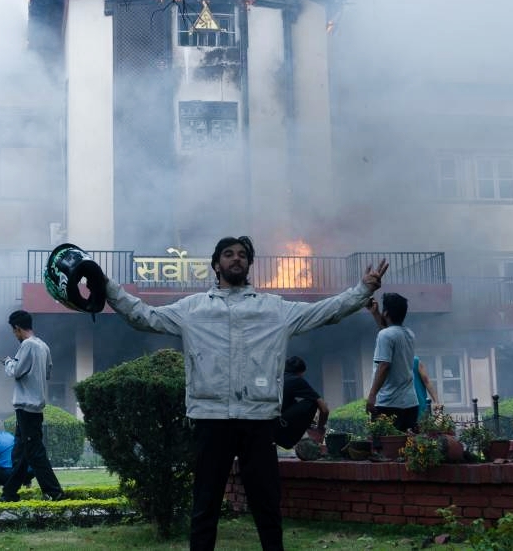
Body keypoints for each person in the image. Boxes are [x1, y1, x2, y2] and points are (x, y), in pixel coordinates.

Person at [104, 235, 388, 551]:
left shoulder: (274, 309)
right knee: (205, 507)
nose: (236, 258)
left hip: (258, 421)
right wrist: (106, 286)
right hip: (211, 421)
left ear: (249, 265)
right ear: (216, 265)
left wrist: (363, 290)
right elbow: (145, 316)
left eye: (242, 255)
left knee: (267, 507)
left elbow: (325, 311)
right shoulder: (192, 310)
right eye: (228, 254)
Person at [0, 310, 64, 502]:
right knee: (21, 451)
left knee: (34, 451)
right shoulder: (43, 345)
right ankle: (9, 492)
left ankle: (54, 491)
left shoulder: (27, 345)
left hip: (26, 406)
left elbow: (17, 371)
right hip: (35, 406)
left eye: (14, 332)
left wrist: (9, 362)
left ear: (17, 328)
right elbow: (48, 372)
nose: (15, 335)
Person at [365, 293, 418, 434]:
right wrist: (376, 314)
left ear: (386, 312)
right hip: (410, 403)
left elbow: (384, 366)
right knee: (404, 449)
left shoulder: (385, 335)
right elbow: (389, 334)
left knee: (384, 449)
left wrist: (372, 395)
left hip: (388, 404)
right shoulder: (409, 334)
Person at [274, 356, 329, 450]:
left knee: (294, 402)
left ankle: (308, 430)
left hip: (265, 425)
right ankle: (291, 440)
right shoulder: (296, 380)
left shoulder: (276, 378)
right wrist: (320, 428)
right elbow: (324, 409)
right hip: (279, 426)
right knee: (312, 403)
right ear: (301, 372)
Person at [413, 356, 442, 425]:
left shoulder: (415, 361)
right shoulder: (415, 361)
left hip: (417, 402)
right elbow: (427, 381)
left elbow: (426, 381)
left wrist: (436, 402)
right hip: (416, 403)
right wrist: (436, 401)